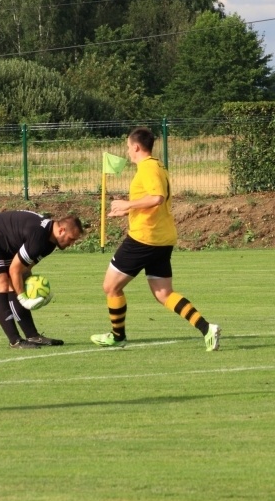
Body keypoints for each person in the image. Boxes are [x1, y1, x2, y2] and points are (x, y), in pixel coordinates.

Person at [91, 127, 222, 351]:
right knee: (164, 294)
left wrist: (127, 204)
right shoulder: (158, 165)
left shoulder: (148, 168)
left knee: (110, 287)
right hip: (162, 238)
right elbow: (152, 202)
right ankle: (206, 328)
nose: (127, 152)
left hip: (144, 238)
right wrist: (126, 211)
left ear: (136, 147)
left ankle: (118, 336)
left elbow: (157, 198)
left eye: (127, 147)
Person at [0, 210, 84, 349]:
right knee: (1, 284)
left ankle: (32, 336)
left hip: (3, 241)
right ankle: (15, 341)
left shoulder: (49, 243)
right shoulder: (39, 236)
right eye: (71, 239)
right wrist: (24, 299)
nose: (72, 243)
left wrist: (38, 291)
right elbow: (14, 270)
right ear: (62, 230)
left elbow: (23, 270)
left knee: (15, 281)